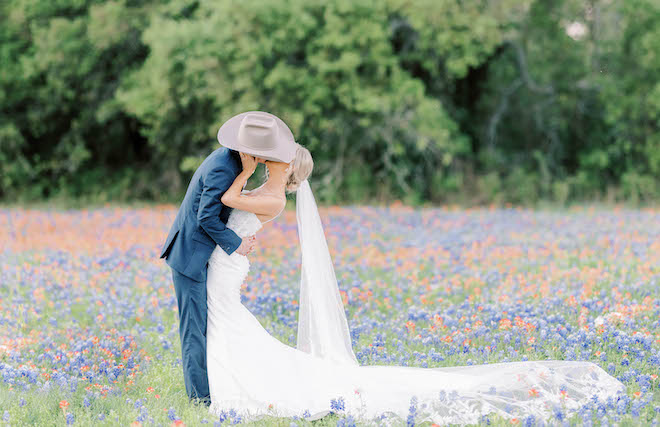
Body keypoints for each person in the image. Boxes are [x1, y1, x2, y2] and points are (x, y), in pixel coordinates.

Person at [206, 111, 624, 424]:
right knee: (226, 322)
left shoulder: (274, 197)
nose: (267, 157)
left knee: (229, 322)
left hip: (228, 267)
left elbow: (227, 201)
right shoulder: (267, 187)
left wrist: (243, 169)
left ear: (286, 166)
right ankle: (220, 373)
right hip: (227, 263)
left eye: (274, 157)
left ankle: (229, 379)